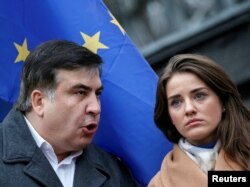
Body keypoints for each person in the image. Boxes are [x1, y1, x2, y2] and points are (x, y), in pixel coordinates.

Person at [0, 40, 140, 187]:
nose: (95, 108)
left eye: (97, 94)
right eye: (80, 92)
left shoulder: (113, 170)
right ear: (39, 102)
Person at [148, 54, 250, 187]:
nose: (189, 109)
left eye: (199, 95)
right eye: (176, 102)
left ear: (223, 101)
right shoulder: (160, 184)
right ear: (169, 116)